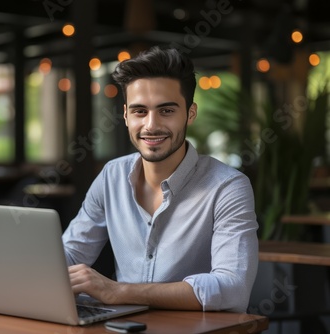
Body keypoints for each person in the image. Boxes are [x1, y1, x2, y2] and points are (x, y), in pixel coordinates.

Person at [62, 45, 258, 313]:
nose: (151, 125)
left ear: (190, 113)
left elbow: (232, 288)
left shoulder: (227, 187)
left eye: (166, 111)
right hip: (125, 329)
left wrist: (118, 291)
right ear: (125, 115)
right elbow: (70, 254)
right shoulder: (112, 176)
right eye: (139, 111)